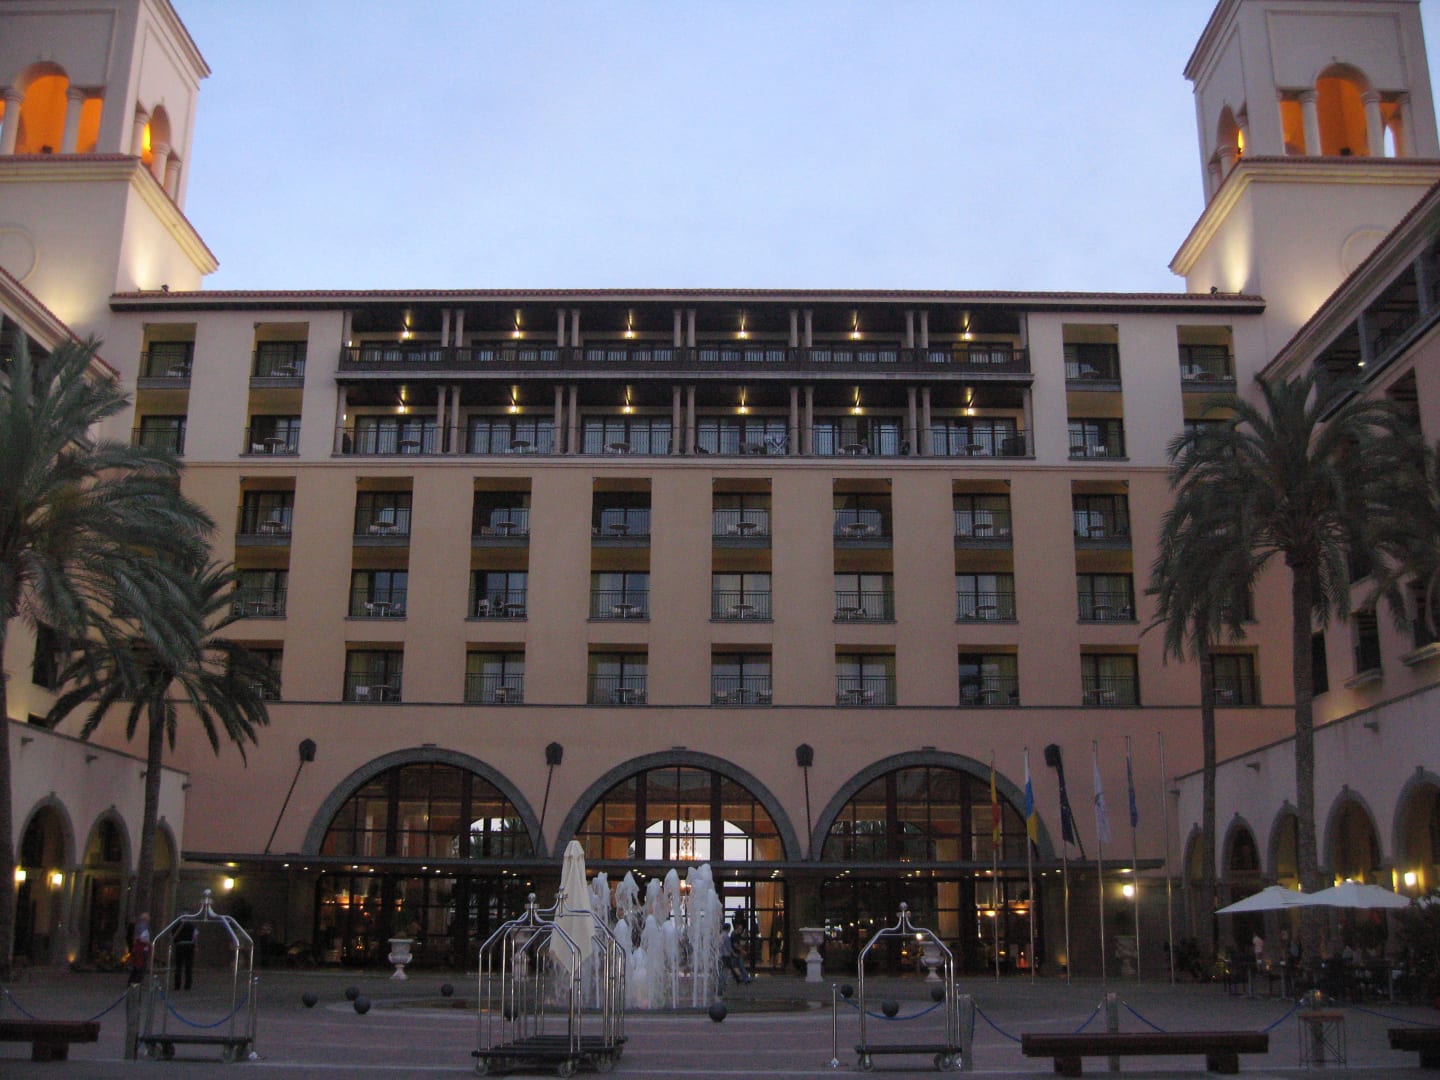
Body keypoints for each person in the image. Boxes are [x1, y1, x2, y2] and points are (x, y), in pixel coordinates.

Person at [173, 920, 197, 990]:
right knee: (188, 967)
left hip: (180, 945)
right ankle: (187, 985)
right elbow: (195, 936)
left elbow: (172, 935)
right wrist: (195, 946)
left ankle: (177, 985)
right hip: (189, 945)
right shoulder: (191, 925)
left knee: (178, 966)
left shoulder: (177, 925)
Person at [127, 913, 151, 985]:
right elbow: (143, 938)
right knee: (141, 967)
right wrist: (150, 944)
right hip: (142, 949)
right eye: (148, 918)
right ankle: (136, 982)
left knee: (136, 966)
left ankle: (132, 982)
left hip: (139, 948)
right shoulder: (143, 926)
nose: (149, 919)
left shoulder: (138, 925)